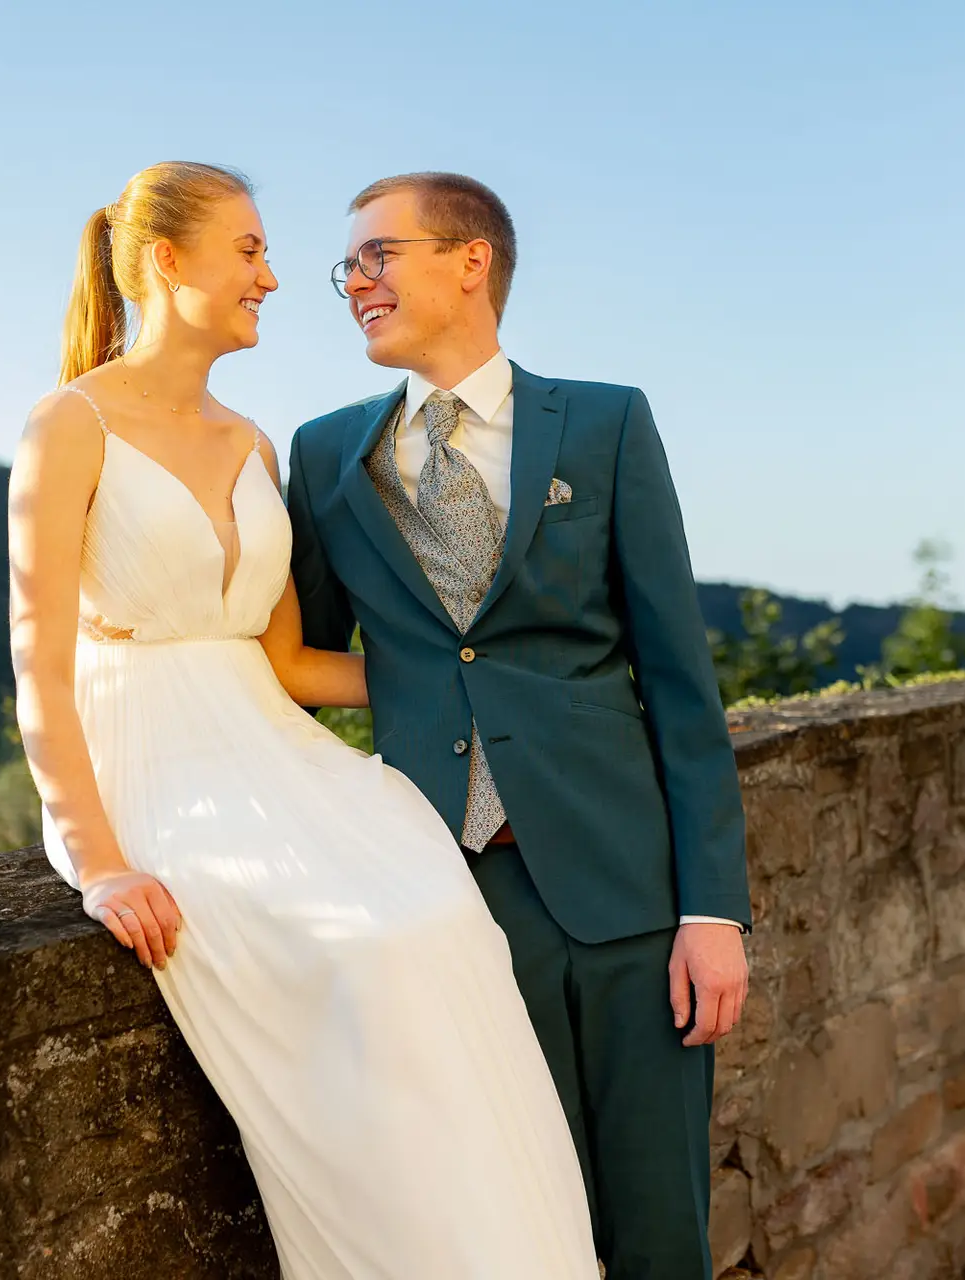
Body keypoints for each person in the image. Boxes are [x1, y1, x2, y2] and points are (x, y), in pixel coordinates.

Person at [8, 161, 600, 1278]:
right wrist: (97, 860)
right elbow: (36, 662)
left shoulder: (252, 444)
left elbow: (285, 659)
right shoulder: (68, 423)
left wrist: (473, 679)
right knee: (365, 950)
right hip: (154, 763)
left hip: (273, 746)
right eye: (249, 252)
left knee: (443, 916)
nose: (275, 278)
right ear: (164, 261)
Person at [284, 172, 753, 1279]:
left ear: (470, 260)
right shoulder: (322, 455)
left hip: (629, 888)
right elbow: (296, 658)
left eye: (378, 255)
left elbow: (680, 677)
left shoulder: (604, 422)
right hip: (452, 898)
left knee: (657, 1225)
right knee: (520, 1233)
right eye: (347, 264)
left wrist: (712, 908)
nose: (355, 282)